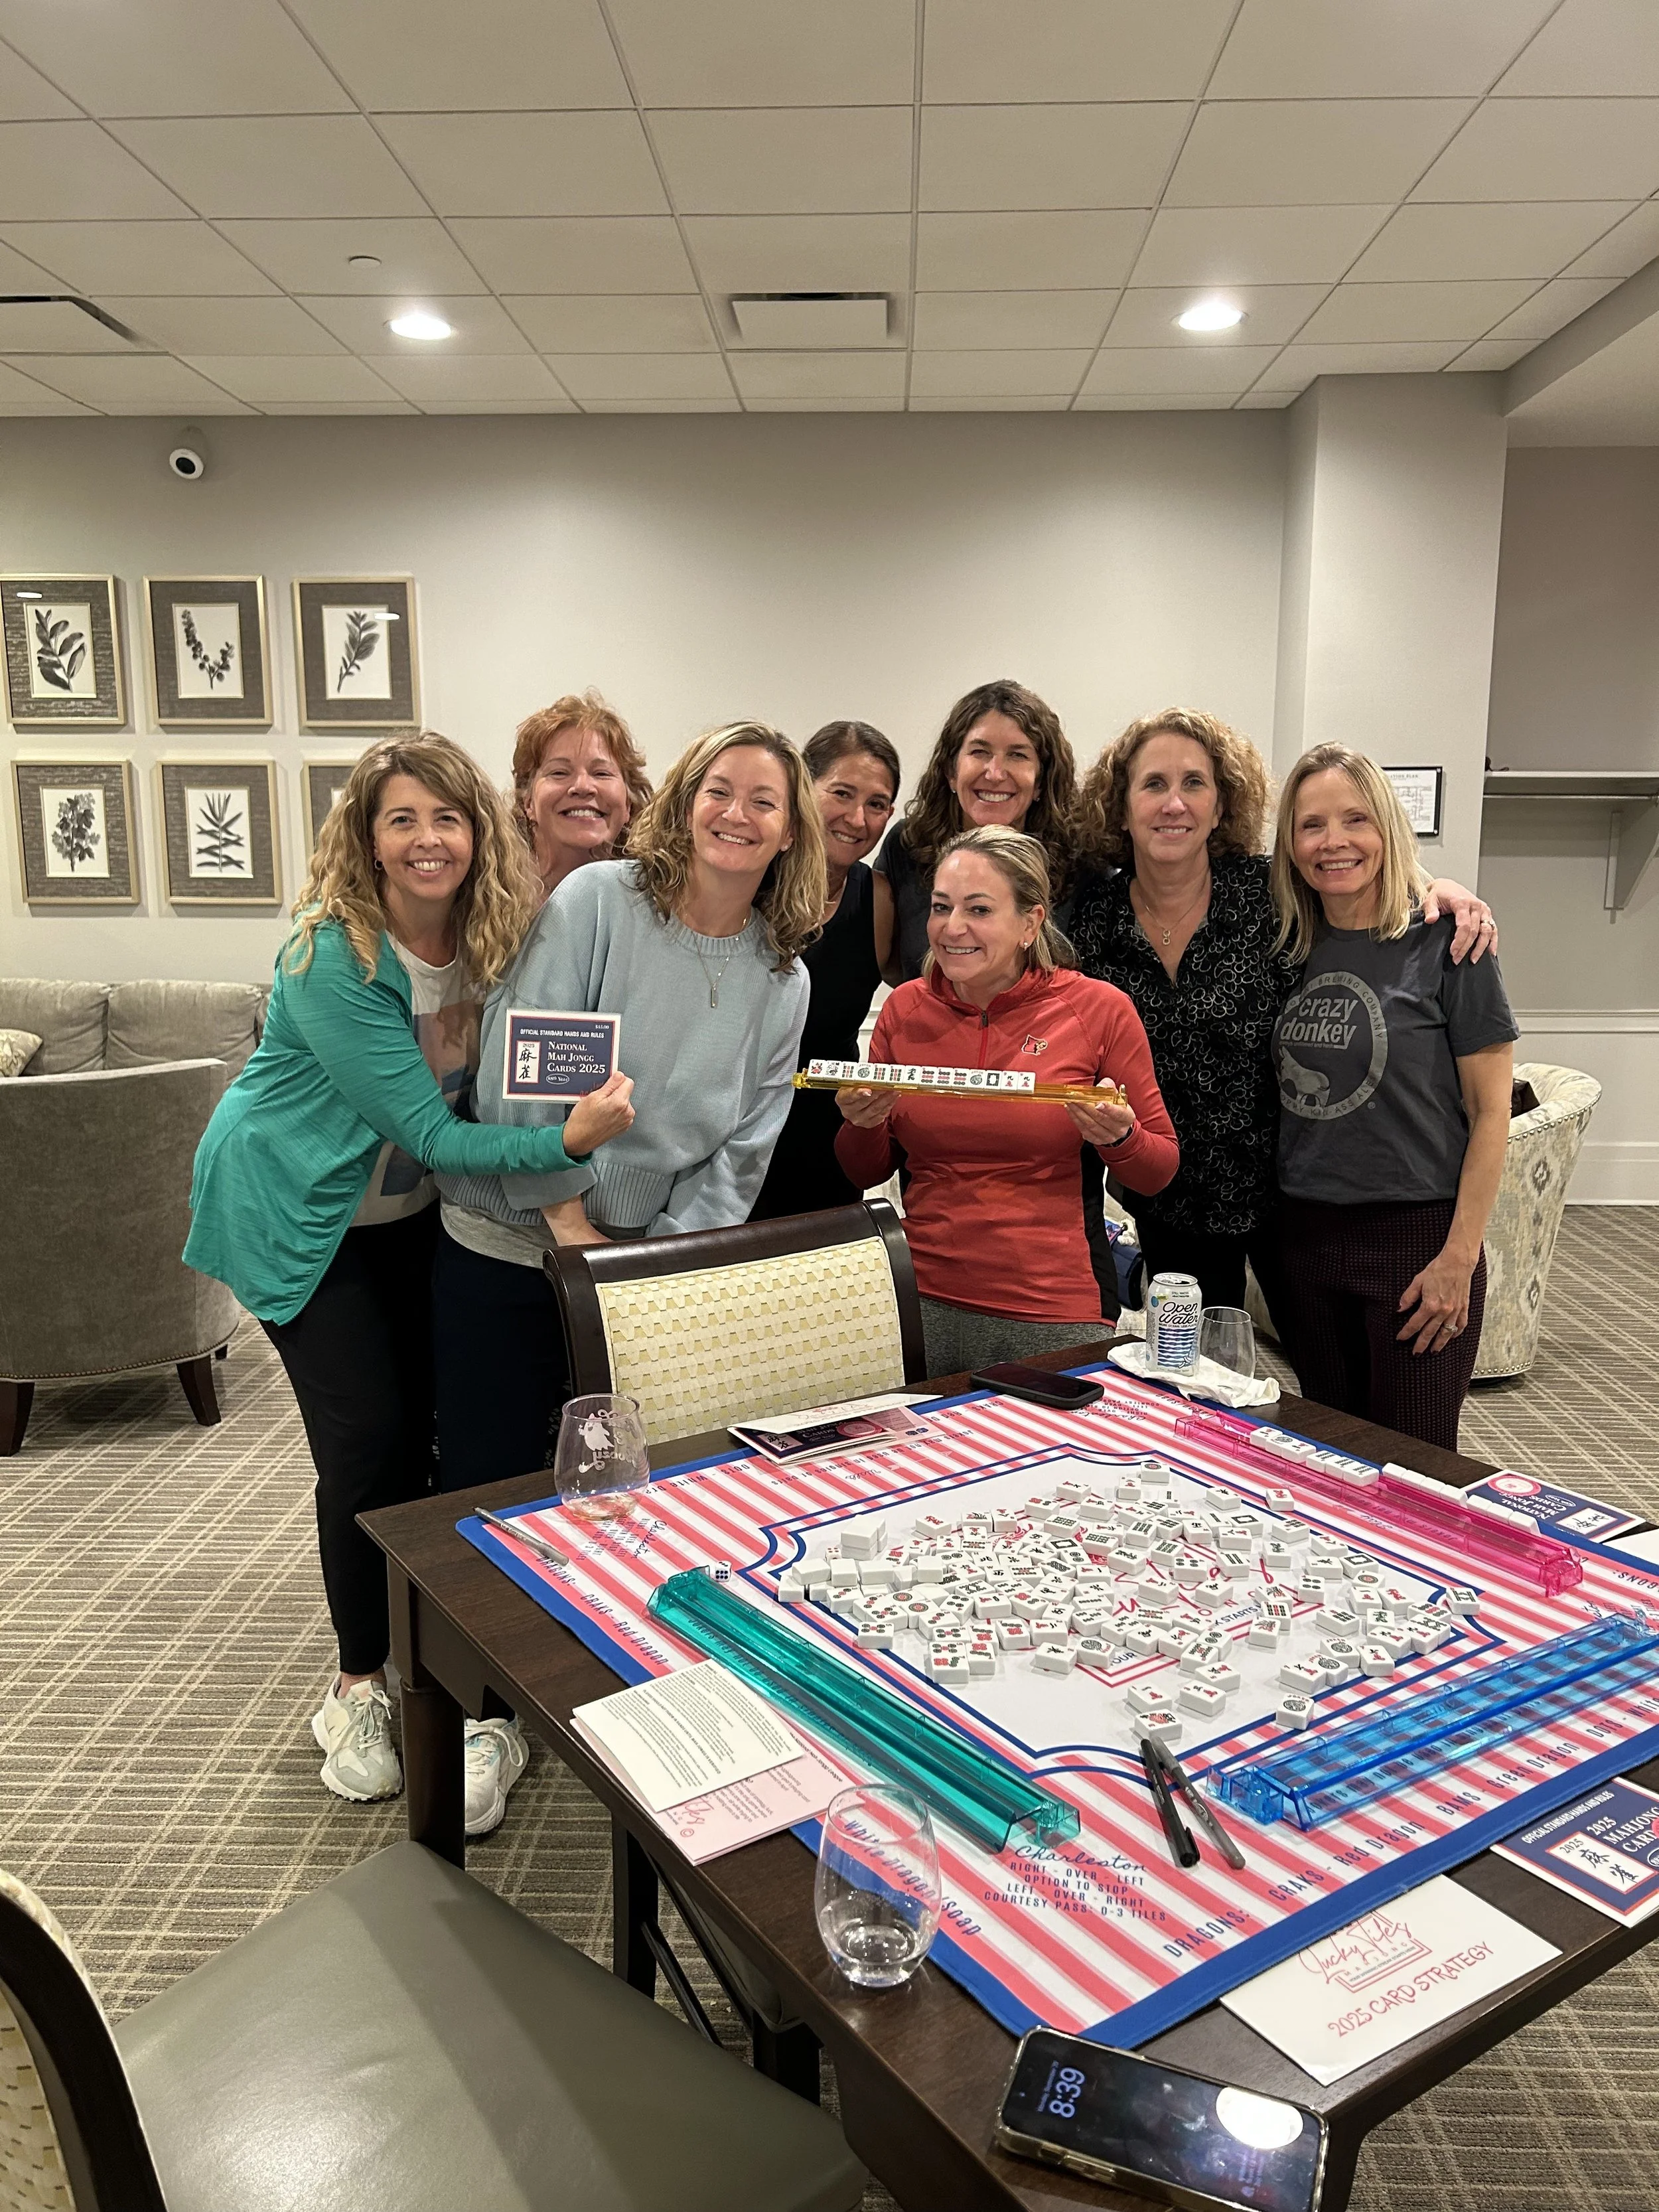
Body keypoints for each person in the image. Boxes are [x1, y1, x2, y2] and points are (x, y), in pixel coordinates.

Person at [184, 733, 633, 1824]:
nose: (427, 838)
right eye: (401, 819)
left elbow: (532, 1056)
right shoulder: (329, 954)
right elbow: (433, 1126)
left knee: (437, 1437)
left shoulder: (492, 938)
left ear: (479, 832)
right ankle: (356, 1683)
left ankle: (430, 1653)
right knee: (368, 1436)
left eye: (446, 816)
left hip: (413, 1215)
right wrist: (572, 1144)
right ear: (368, 839)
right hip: (302, 1212)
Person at [435, 723, 826, 1487]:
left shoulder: (784, 979)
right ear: (686, 804)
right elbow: (523, 1080)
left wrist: (662, 1264)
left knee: (624, 1489)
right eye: (718, 791)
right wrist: (571, 1226)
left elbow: (744, 1149)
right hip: (511, 1244)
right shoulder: (598, 901)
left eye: (763, 802)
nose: (736, 814)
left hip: (638, 1270)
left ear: (789, 833)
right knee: (490, 1486)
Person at [1068, 708, 1497, 1318]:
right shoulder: (1093, 918)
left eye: (1195, 783)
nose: (1174, 803)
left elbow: (1363, 893)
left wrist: (1438, 888)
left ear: (1222, 806)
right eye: (1153, 784)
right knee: (1196, 1383)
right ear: (1122, 806)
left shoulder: (1268, 892)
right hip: (1169, 1199)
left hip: (1292, 1195)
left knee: (1320, 1385)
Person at [835, 826, 1179, 1374]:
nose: (952, 928)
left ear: (1030, 922)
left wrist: (1119, 1136)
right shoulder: (904, 1010)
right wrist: (862, 1123)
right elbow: (865, 1165)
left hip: (1056, 1308)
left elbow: (1158, 1169)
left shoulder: (1098, 1009)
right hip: (917, 1297)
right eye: (941, 906)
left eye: (979, 910)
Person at [1267, 745, 1517, 1451]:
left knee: (1415, 1468)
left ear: (1388, 827)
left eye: (1355, 819)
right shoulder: (1285, 943)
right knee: (1331, 1459)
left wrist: (1458, 1259)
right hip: (1304, 1240)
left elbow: (1491, 1113)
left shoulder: (1451, 943)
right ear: (1290, 843)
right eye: (1311, 825)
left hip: (1416, 1242)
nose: (1333, 842)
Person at [752, 718, 902, 1218]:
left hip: (826, 1151)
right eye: (841, 793)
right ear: (802, 789)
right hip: (731, 1146)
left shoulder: (878, 900)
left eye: (877, 804)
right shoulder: (747, 881)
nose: (857, 819)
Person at [873, 678, 1078, 982]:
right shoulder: (907, 845)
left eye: (1018, 755)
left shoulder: (1080, 861)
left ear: (1040, 783)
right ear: (951, 772)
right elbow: (892, 966)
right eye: (980, 752)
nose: (995, 774)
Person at [512, 690, 654, 901]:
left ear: (628, 804)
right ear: (528, 802)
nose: (583, 786)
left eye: (601, 773)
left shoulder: (655, 897)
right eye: (559, 772)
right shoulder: (488, 894)